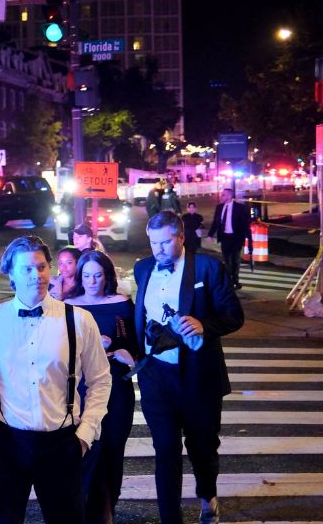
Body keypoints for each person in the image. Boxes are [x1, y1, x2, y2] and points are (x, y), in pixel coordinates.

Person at [0, 235, 112, 523]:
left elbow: (101, 380)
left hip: (62, 442)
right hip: (5, 442)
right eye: (27, 269)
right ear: (11, 274)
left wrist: (85, 435)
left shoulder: (78, 320)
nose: (37, 275)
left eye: (41, 267)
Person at [133, 211, 244, 524]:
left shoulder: (208, 268)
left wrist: (203, 325)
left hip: (198, 375)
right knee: (165, 448)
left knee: (202, 447)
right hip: (156, 374)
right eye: (154, 243)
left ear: (180, 237)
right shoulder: (142, 268)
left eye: (165, 242)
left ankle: (207, 495)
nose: (159, 249)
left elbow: (234, 316)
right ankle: (171, 519)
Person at [65, 250, 139, 524]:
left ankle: (108, 507)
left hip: (117, 388)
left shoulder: (122, 305)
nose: (92, 281)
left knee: (112, 448)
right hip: (81, 389)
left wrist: (126, 354)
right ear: (79, 277)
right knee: (87, 448)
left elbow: (135, 345)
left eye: (97, 275)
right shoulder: (69, 306)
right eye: (86, 276)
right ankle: (85, 510)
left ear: (107, 276)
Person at [207, 188, 251, 290]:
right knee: (227, 261)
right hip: (224, 238)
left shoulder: (239, 208)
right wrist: (210, 234)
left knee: (235, 261)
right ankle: (228, 281)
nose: (221, 196)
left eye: (223, 195)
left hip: (236, 238)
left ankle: (235, 281)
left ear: (229, 196)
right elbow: (215, 222)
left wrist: (248, 238)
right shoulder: (219, 207)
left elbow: (245, 224)